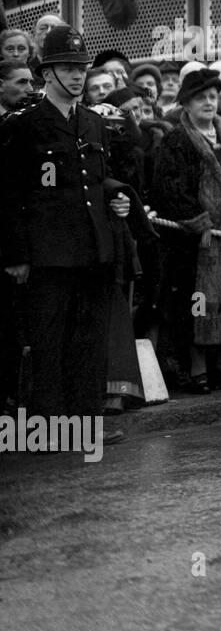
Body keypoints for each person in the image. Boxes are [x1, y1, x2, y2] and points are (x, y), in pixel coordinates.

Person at [0, 27, 131, 441]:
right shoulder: (25, 124)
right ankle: (51, 427)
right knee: (49, 341)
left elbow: (96, 179)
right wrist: (16, 253)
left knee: (89, 340)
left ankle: (86, 423)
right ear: (47, 73)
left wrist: (116, 198)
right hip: (47, 252)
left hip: (91, 248)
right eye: (67, 69)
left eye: (80, 68)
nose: (77, 77)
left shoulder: (92, 122)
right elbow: (10, 193)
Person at [150, 69, 221, 395]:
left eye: (212, 97)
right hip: (193, 241)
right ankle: (198, 366)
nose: (208, 102)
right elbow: (169, 189)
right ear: (186, 103)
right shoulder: (177, 139)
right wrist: (199, 222)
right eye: (201, 97)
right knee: (197, 302)